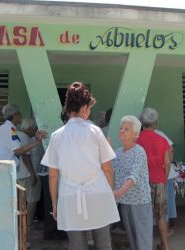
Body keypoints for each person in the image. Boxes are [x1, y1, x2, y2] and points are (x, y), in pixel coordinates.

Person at [41, 82, 119, 250]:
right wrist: (111, 193)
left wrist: (55, 203)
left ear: (68, 109)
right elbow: (107, 168)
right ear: (84, 108)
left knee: (77, 246)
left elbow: (53, 175)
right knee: (104, 244)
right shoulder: (96, 132)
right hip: (98, 192)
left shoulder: (57, 136)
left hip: (69, 196)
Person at [112, 115, 153, 250]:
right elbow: (111, 172)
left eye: (126, 129)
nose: (122, 131)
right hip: (125, 201)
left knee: (143, 241)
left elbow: (133, 177)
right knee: (133, 240)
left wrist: (118, 193)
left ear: (135, 134)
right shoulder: (118, 152)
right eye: (121, 128)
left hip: (139, 201)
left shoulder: (139, 152)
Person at [136, 107, 171, 250]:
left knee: (144, 217)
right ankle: (165, 245)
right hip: (159, 181)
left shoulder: (136, 140)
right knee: (160, 216)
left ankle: (146, 246)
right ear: (155, 123)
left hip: (142, 183)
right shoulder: (162, 140)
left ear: (141, 122)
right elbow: (167, 164)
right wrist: (164, 179)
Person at [16, 118, 42, 230]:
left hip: (17, 174)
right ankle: (28, 224)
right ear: (29, 128)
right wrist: (32, 174)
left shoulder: (16, 134)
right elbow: (25, 156)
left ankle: (21, 224)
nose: (35, 131)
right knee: (32, 200)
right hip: (27, 174)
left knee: (20, 201)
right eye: (34, 129)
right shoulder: (25, 137)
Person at [154, 129, 177, 236]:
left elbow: (170, 149)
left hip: (164, 174)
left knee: (165, 204)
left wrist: (166, 163)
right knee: (166, 203)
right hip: (163, 173)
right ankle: (166, 228)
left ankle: (167, 229)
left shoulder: (158, 133)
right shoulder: (158, 134)